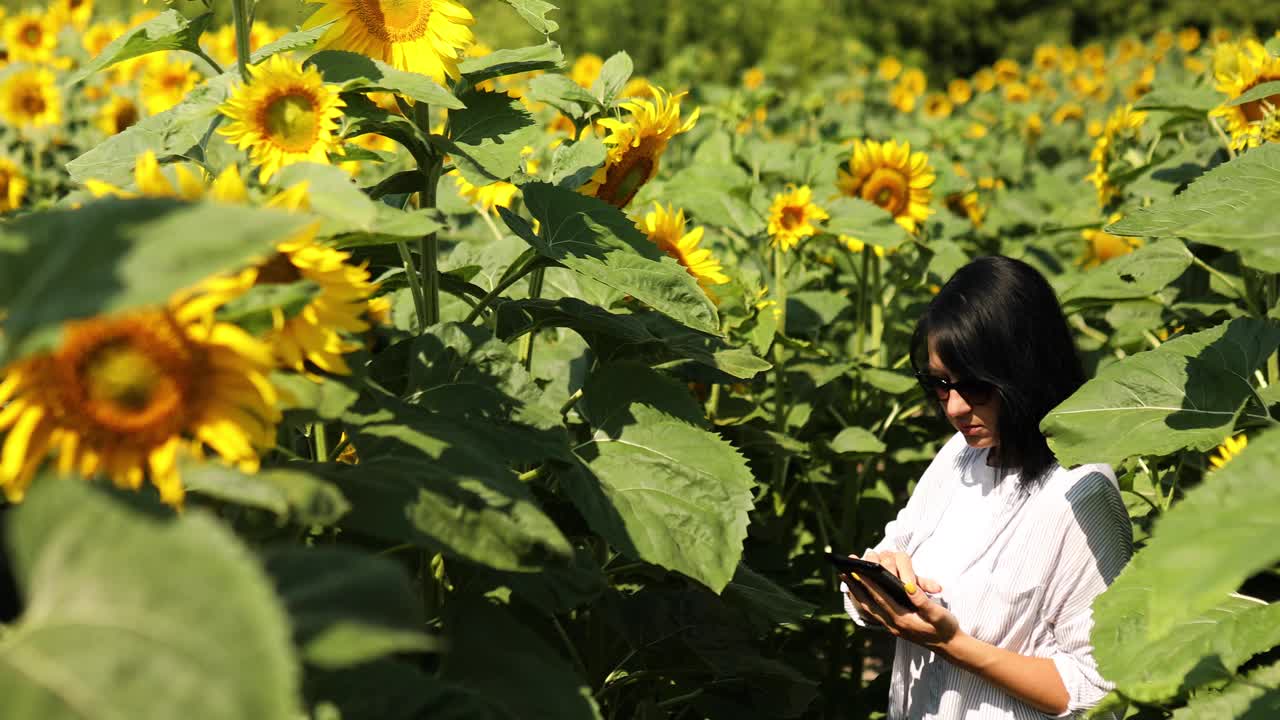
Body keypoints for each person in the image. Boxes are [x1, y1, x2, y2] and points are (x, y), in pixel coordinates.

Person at [838, 256, 1132, 719]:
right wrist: (874, 585)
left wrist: (952, 644)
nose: (954, 407)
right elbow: (895, 546)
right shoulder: (959, 455)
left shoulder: (1080, 492)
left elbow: (1101, 686)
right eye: (939, 383)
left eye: (975, 386)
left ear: (1027, 371)